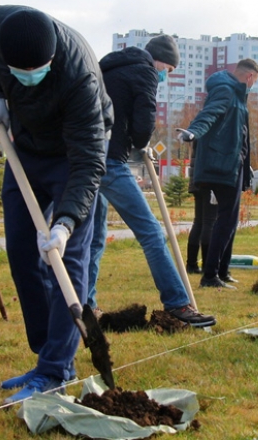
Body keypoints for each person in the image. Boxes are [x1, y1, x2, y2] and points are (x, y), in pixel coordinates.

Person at [0, 5, 112, 404]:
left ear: (51, 59)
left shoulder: (78, 76)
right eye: (20, 72)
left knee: (68, 258)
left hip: (75, 153)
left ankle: (55, 371)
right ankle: (46, 357)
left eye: (37, 71)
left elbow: (89, 163)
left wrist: (65, 223)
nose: (29, 77)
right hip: (25, 148)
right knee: (21, 249)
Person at [87, 35, 215, 327]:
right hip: (110, 160)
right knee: (151, 232)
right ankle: (177, 303)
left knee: (94, 237)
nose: (165, 76)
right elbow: (144, 121)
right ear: (160, 61)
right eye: (168, 70)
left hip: (87, 156)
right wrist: (141, 142)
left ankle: (86, 305)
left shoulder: (109, 67)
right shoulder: (145, 71)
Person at [177, 59, 258, 289]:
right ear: (250, 77)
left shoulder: (238, 95)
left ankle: (222, 271)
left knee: (229, 220)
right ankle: (210, 275)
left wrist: (245, 162)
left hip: (233, 163)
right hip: (222, 164)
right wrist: (193, 132)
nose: (253, 86)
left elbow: (240, 133)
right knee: (225, 221)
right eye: (255, 81)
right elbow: (210, 113)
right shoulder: (226, 90)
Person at [185, 141, 218, 275]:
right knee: (209, 222)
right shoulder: (212, 132)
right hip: (208, 180)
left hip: (196, 179)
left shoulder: (198, 132)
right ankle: (207, 265)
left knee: (198, 222)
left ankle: (191, 264)